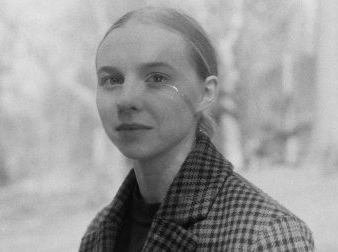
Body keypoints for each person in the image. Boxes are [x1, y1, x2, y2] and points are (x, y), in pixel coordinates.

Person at [79, 6, 314, 252]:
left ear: (205, 93)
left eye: (157, 78)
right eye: (112, 80)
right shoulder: (99, 232)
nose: (126, 100)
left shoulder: (267, 236)